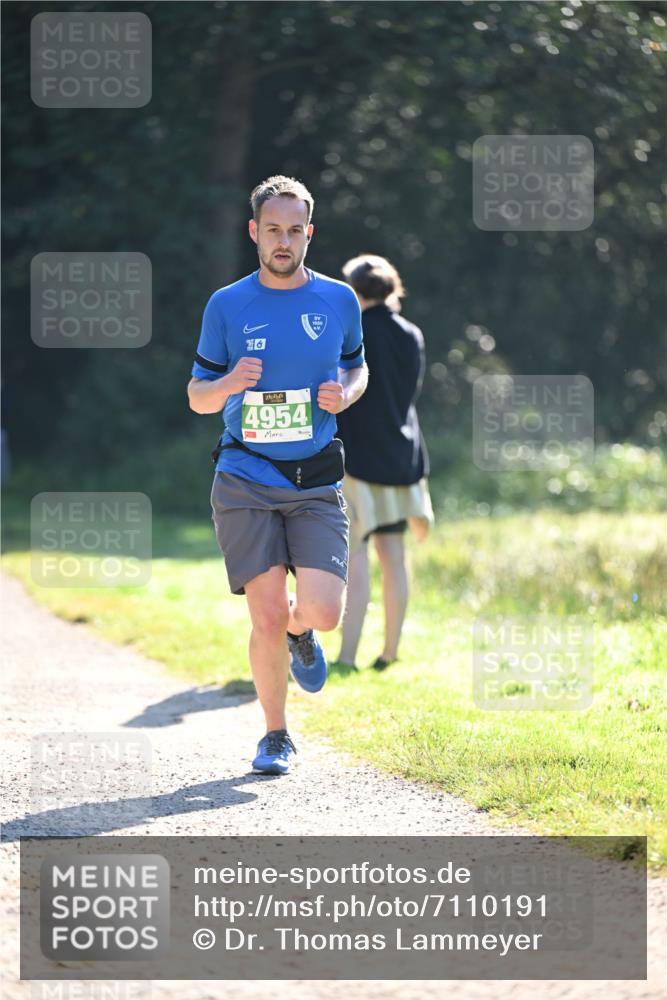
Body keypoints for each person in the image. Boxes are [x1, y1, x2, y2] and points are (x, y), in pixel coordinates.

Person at [187, 176, 368, 775]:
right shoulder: (227, 304)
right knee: (263, 615)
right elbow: (197, 397)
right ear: (254, 233)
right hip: (244, 475)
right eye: (273, 230)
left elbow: (356, 366)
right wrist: (229, 383)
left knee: (322, 611)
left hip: (316, 477)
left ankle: (301, 633)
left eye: (294, 230)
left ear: (309, 233)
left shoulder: (339, 300)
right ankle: (275, 735)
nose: (283, 240)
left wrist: (345, 395)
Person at [335, 254, 433, 671]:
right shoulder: (412, 334)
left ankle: (346, 656)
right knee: (393, 557)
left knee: (355, 557)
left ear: (354, 291)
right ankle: (390, 652)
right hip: (402, 457)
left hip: (357, 460)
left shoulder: (351, 333)